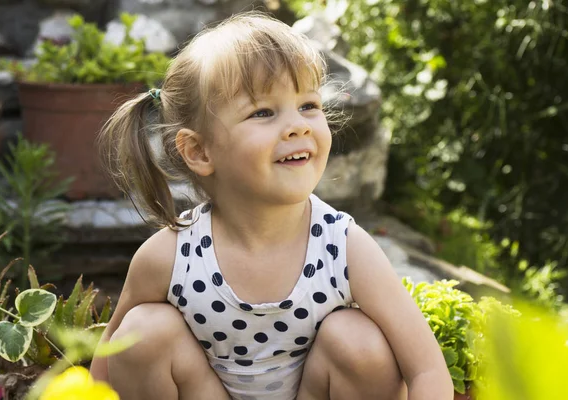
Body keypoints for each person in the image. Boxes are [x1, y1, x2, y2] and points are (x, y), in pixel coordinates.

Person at [89, 11, 453, 400]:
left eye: (309, 105)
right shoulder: (171, 256)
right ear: (198, 150)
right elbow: (105, 365)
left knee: (358, 339)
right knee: (140, 332)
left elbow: (428, 370)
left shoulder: (343, 246)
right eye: (263, 112)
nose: (298, 125)